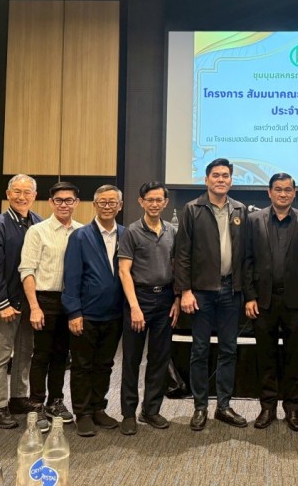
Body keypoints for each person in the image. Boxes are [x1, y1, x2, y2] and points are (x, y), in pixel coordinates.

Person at [174, 158, 248, 431]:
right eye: (215, 175)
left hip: (231, 291)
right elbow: (182, 254)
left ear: (231, 181)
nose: (220, 179)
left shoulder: (239, 209)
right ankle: (200, 406)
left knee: (229, 349)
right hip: (201, 293)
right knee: (200, 350)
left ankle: (224, 406)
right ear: (206, 180)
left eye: (225, 175)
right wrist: (185, 291)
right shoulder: (192, 209)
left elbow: (245, 253)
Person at [244, 173, 298, 432]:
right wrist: (249, 296)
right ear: (269, 192)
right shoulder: (254, 220)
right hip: (263, 301)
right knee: (265, 355)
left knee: (294, 357)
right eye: (278, 189)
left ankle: (293, 408)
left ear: (294, 193)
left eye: (287, 190)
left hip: (296, 303)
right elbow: (246, 260)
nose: (283, 194)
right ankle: (267, 407)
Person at [62, 185, 125, 437]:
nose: (107, 207)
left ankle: (99, 408)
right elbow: (71, 277)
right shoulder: (80, 236)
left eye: (112, 202)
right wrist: (74, 312)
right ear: (95, 205)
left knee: (105, 365)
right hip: (86, 314)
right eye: (103, 202)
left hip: (115, 314)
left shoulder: (126, 234)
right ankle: (83, 413)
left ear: (120, 206)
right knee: (82, 366)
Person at [118, 182, 180, 436]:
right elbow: (124, 271)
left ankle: (151, 410)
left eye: (159, 200)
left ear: (166, 203)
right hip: (139, 299)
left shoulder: (172, 231)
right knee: (131, 359)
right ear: (141, 202)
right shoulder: (131, 232)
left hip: (165, 299)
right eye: (150, 200)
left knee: (159, 358)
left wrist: (177, 299)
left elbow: (177, 267)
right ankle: (128, 413)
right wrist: (134, 307)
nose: (154, 204)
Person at [20, 181, 82, 429]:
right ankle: (36, 404)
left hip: (70, 301)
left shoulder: (82, 231)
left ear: (77, 203)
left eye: (69, 200)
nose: (64, 204)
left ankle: (55, 401)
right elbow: (27, 270)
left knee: (61, 355)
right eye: (59, 200)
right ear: (50, 202)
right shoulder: (37, 231)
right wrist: (34, 307)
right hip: (44, 300)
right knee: (41, 355)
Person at [0, 174, 42, 429]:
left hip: (30, 302)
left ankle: (18, 398)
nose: (22, 196)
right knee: (1, 355)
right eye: (17, 191)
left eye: (27, 192)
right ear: (8, 194)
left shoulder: (38, 222)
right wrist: (2, 303)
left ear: (34, 196)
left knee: (25, 352)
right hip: (7, 303)